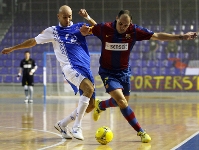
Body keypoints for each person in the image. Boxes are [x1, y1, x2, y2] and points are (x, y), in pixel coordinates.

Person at [80, 10, 198, 143]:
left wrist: (182, 37)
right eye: (120, 24)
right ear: (116, 19)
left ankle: (101, 105)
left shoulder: (134, 31)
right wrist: (85, 28)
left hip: (124, 72)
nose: (123, 27)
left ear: (130, 23)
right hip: (108, 73)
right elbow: (90, 30)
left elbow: (157, 36)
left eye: (126, 25)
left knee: (123, 102)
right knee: (122, 102)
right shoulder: (105, 28)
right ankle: (141, 132)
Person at [1, 5, 97, 141]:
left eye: (70, 16)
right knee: (89, 88)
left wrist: (87, 18)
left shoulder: (79, 27)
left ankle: (63, 124)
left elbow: (100, 30)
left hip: (85, 69)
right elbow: (33, 41)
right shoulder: (53, 31)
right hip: (70, 68)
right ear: (58, 16)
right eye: (65, 17)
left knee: (91, 105)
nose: (68, 19)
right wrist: (13, 48)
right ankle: (77, 127)